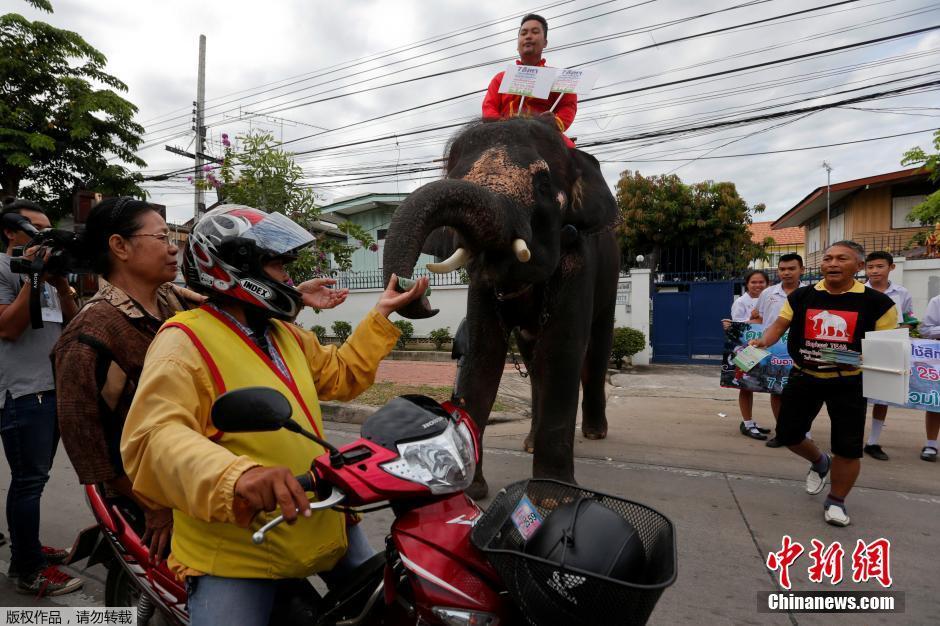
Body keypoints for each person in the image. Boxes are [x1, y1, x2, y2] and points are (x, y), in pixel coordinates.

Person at [120, 205, 426, 625]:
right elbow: (154, 437)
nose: (287, 276)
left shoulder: (284, 334)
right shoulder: (184, 340)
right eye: (278, 264)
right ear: (234, 268)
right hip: (239, 547)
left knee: (394, 607)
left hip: (319, 514)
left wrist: (381, 314)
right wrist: (238, 477)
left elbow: (340, 375)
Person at [53, 197, 198, 562]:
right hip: (148, 500)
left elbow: (230, 310)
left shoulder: (172, 300)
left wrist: (292, 297)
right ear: (120, 246)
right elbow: (85, 440)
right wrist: (149, 503)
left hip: (195, 476)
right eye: (162, 237)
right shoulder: (90, 332)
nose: (173, 248)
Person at [751, 241, 897, 527]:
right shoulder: (802, 296)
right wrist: (762, 341)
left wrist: (854, 359)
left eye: (842, 258)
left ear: (858, 266)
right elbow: (779, 326)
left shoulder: (879, 304)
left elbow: (888, 351)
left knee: (847, 446)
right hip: (804, 376)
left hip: (849, 382)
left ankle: (836, 501)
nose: (832, 263)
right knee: (789, 433)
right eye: (828, 258)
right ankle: (820, 461)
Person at [0, 198, 81, 596]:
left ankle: (29, 548)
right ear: (11, 232)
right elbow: (9, 329)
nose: (43, 237)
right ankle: (26, 567)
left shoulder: (49, 276)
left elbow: (73, 322)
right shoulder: (0, 269)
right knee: (28, 481)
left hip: (54, 389)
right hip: (21, 392)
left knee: (37, 478)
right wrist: (31, 277)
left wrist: (60, 283)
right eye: (34, 229)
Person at [482, 13, 578, 147]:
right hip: (503, 136)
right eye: (523, 33)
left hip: (546, 136)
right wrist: (502, 126)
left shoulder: (557, 77)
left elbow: (568, 105)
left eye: (535, 32)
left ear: (545, 42)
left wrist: (555, 122)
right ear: (517, 44)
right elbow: (489, 107)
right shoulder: (500, 78)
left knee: (581, 161)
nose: (528, 36)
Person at [861, 251, 913, 461]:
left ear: (891, 268)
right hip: (861, 348)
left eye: (879, 266)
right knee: (855, 396)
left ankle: (873, 441)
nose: (874, 271)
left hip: (888, 349)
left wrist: (903, 329)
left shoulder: (901, 293)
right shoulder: (858, 291)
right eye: (870, 267)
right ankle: (852, 437)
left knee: (882, 398)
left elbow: (909, 318)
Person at [749, 253, 804, 447]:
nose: (786, 273)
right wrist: (739, 329)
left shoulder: (811, 293)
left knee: (803, 394)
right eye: (782, 269)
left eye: (791, 269)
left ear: (801, 270)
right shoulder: (768, 293)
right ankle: (782, 432)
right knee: (777, 391)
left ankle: (804, 434)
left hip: (803, 352)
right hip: (775, 349)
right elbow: (759, 319)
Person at [722, 269, 770, 439]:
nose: (758, 285)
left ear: (767, 284)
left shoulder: (772, 299)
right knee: (746, 385)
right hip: (748, 348)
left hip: (772, 346)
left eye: (761, 282)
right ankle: (748, 423)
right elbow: (736, 326)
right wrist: (754, 320)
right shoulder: (741, 302)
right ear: (747, 284)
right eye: (753, 282)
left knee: (775, 386)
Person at [917, 294, 940, 462]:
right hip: (937, 355)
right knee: (935, 401)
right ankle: (931, 444)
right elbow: (925, 330)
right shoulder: (937, 301)